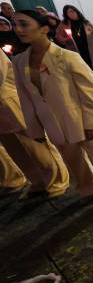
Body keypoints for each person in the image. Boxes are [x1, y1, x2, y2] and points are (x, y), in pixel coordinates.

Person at [12, 10, 93, 206]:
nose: (18, 29)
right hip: (51, 122)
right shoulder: (19, 61)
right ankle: (87, 188)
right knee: (73, 160)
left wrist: (91, 122)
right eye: (15, 25)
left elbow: (88, 93)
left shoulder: (67, 57)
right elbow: (25, 98)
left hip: (79, 117)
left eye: (24, 24)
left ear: (44, 29)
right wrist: (35, 128)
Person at [0, 50, 69, 198]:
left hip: (7, 96)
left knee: (33, 141)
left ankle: (57, 179)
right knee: (12, 146)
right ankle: (37, 180)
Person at [55, 5, 93, 99]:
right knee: (85, 74)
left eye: (73, 11)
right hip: (77, 52)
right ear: (66, 14)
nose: (72, 13)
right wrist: (66, 40)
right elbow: (58, 37)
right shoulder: (64, 24)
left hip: (92, 51)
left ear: (77, 11)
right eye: (69, 12)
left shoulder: (86, 23)